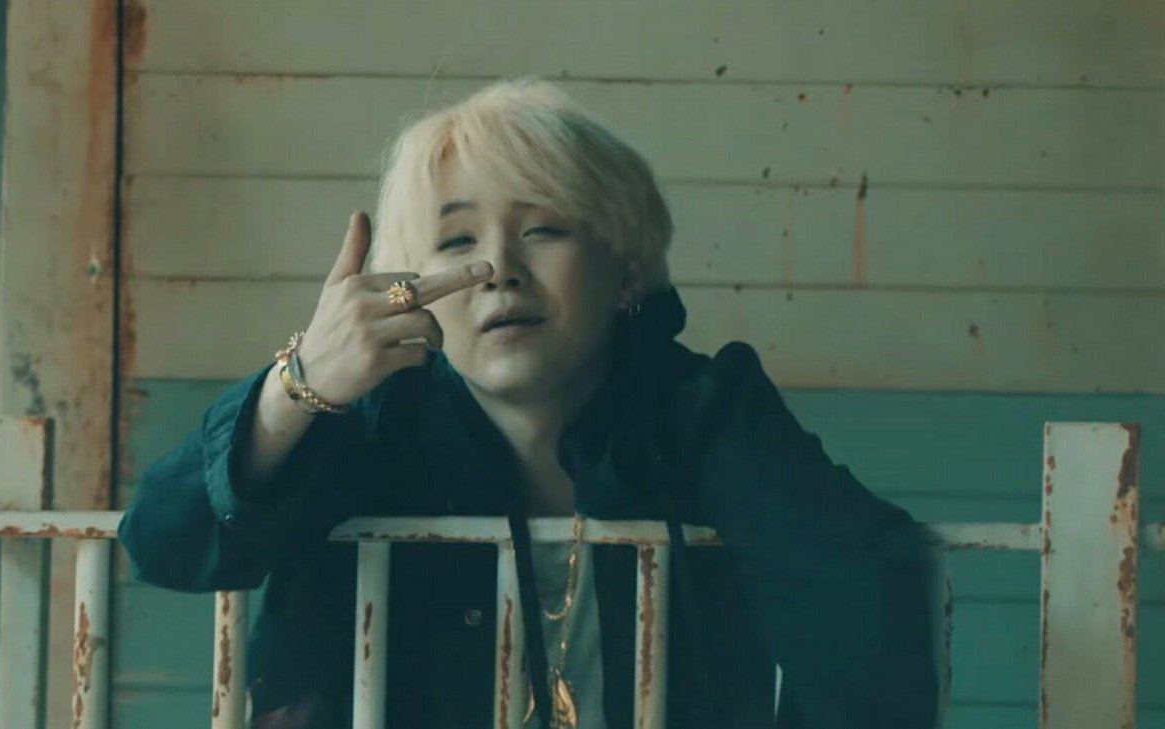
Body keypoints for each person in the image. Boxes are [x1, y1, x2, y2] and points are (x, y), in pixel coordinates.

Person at [118, 78, 939, 729]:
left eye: (542, 229)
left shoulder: (704, 409)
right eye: (455, 241)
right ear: (415, 291)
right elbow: (160, 541)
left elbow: (864, 587)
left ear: (625, 270)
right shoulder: (376, 421)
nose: (498, 270)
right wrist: (300, 383)